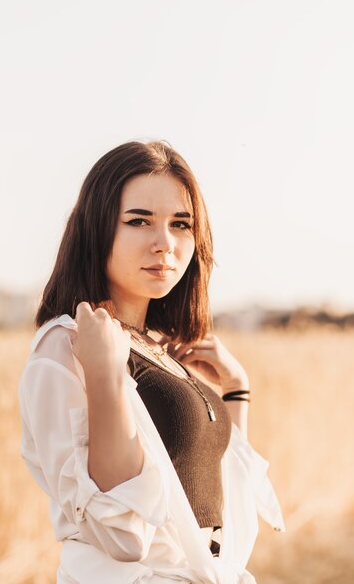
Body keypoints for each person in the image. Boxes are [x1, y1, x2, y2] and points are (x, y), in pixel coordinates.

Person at [18, 140, 284, 584]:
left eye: (181, 224)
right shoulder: (65, 350)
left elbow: (226, 523)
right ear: (98, 229)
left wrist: (236, 391)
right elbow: (121, 535)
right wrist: (105, 376)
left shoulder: (157, 347)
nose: (164, 243)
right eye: (139, 221)